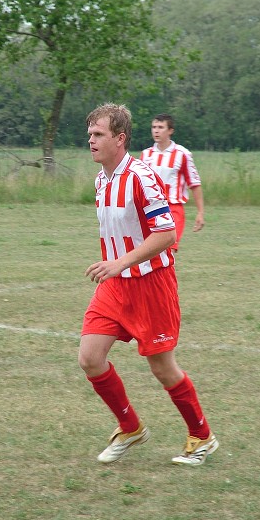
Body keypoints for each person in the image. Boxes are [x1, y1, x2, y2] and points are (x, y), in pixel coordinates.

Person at [79, 103, 218, 466]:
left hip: (151, 284)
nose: (90, 141)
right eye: (90, 134)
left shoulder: (141, 176)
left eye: (98, 135)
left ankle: (202, 437)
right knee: (90, 358)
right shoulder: (101, 180)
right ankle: (130, 427)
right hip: (114, 287)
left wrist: (120, 262)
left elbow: (167, 233)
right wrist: (116, 267)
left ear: (120, 139)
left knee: (162, 368)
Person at [140, 113, 204, 252]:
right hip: (151, 208)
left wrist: (200, 212)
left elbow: (194, 183)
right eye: (154, 127)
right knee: (148, 253)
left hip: (173, 209)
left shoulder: (182, 154)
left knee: (168, 250)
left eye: (161, 127)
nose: (156, 130)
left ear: (170, 131)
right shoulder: (146, 155)